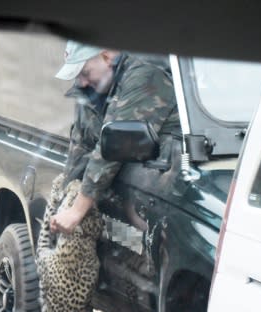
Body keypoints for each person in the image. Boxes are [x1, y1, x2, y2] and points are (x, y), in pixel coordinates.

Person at [50, 41, 178, 234]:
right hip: (120, 201)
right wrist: (64, 200)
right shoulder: (94, 90)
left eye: (85, 73)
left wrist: (76, 211)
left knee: (140, 250)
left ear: (107, 57)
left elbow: (116, 142)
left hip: (162, 197)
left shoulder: (145, 75)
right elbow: (80, 147)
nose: (82, 83)